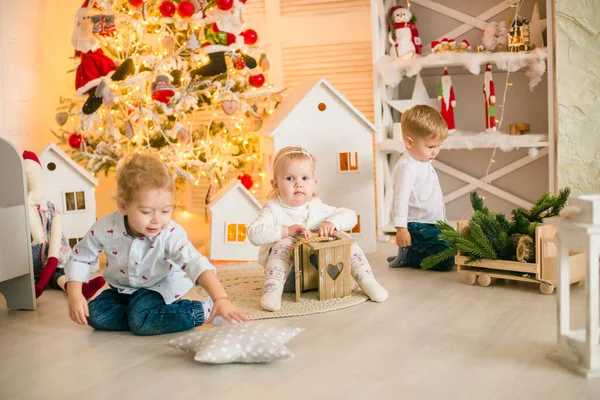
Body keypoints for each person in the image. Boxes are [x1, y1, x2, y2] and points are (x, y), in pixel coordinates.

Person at [65, 153, 248, 335]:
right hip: (123, 290)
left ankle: (203, 311)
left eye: (165, 211)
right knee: (94, 314)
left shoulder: (170, 234)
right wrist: (75, 295)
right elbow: (81, 258)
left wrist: (220, 298)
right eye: (146, 212)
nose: (157, 220)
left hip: (158, 287)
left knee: (140, 319)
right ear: (123, 206)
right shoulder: (105, 228)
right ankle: (148, 316)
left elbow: (195, 263)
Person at [247, 146, 388, 312]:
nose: (298, 184)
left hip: (317, 273)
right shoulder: (273, 209)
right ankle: (272, 292)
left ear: (314, 184)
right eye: (290, 178)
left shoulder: (317, 208)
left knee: (343, 238)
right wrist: (286, 231)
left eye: (305, 178)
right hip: (288, 278)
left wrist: (331, 222)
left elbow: (350, 216)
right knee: (284, 243)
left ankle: (367, 280)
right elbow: (253, 233)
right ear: (275, 184)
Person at [387, 104, 455, 271]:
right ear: (409, 143)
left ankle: (412, 251)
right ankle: (409, 255)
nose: (435, 152)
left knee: (455, 246)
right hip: (418, 225)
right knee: (446, 260)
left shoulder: (422, 160)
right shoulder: (408, 167)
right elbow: (400, 199)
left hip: (432, 222)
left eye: (438, 146)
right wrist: (401, 228)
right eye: (431, 147)